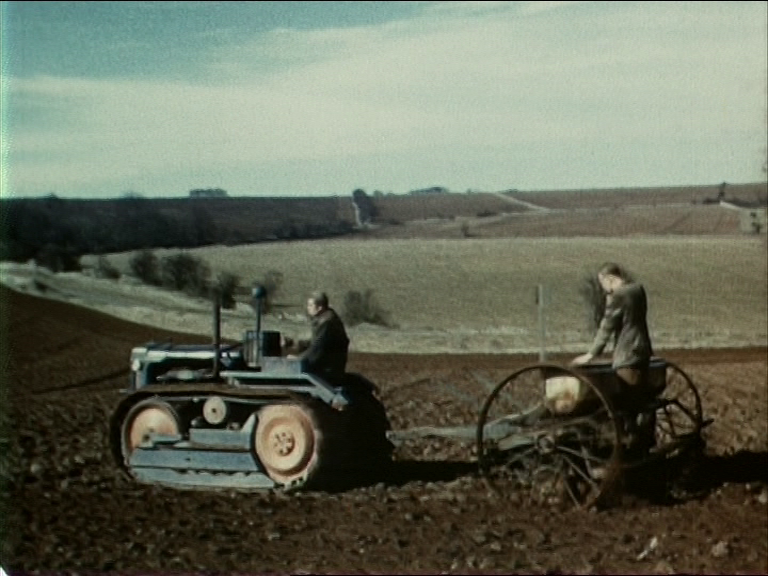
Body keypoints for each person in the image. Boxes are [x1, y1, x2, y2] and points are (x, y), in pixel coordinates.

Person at [572, 262, 655, 412]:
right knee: (642, 402)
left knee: (627, 405)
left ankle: (630, 433)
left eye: (602, 282)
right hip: (642, 350)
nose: (603, 289)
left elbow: (606, 327)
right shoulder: (638, 290)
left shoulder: (619, 296)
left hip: (627, 355)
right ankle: (643, 433)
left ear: (609, 279)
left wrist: (591, 354)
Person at [287, 291, 350, 377]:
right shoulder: (326, 319)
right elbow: (315, 342)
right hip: (329, 366)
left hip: (328, 368)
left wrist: (299, 359)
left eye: (310, 305)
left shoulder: (327, 323)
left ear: (320, 307)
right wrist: (291, 343)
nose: (308, 308)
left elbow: (317, 348)